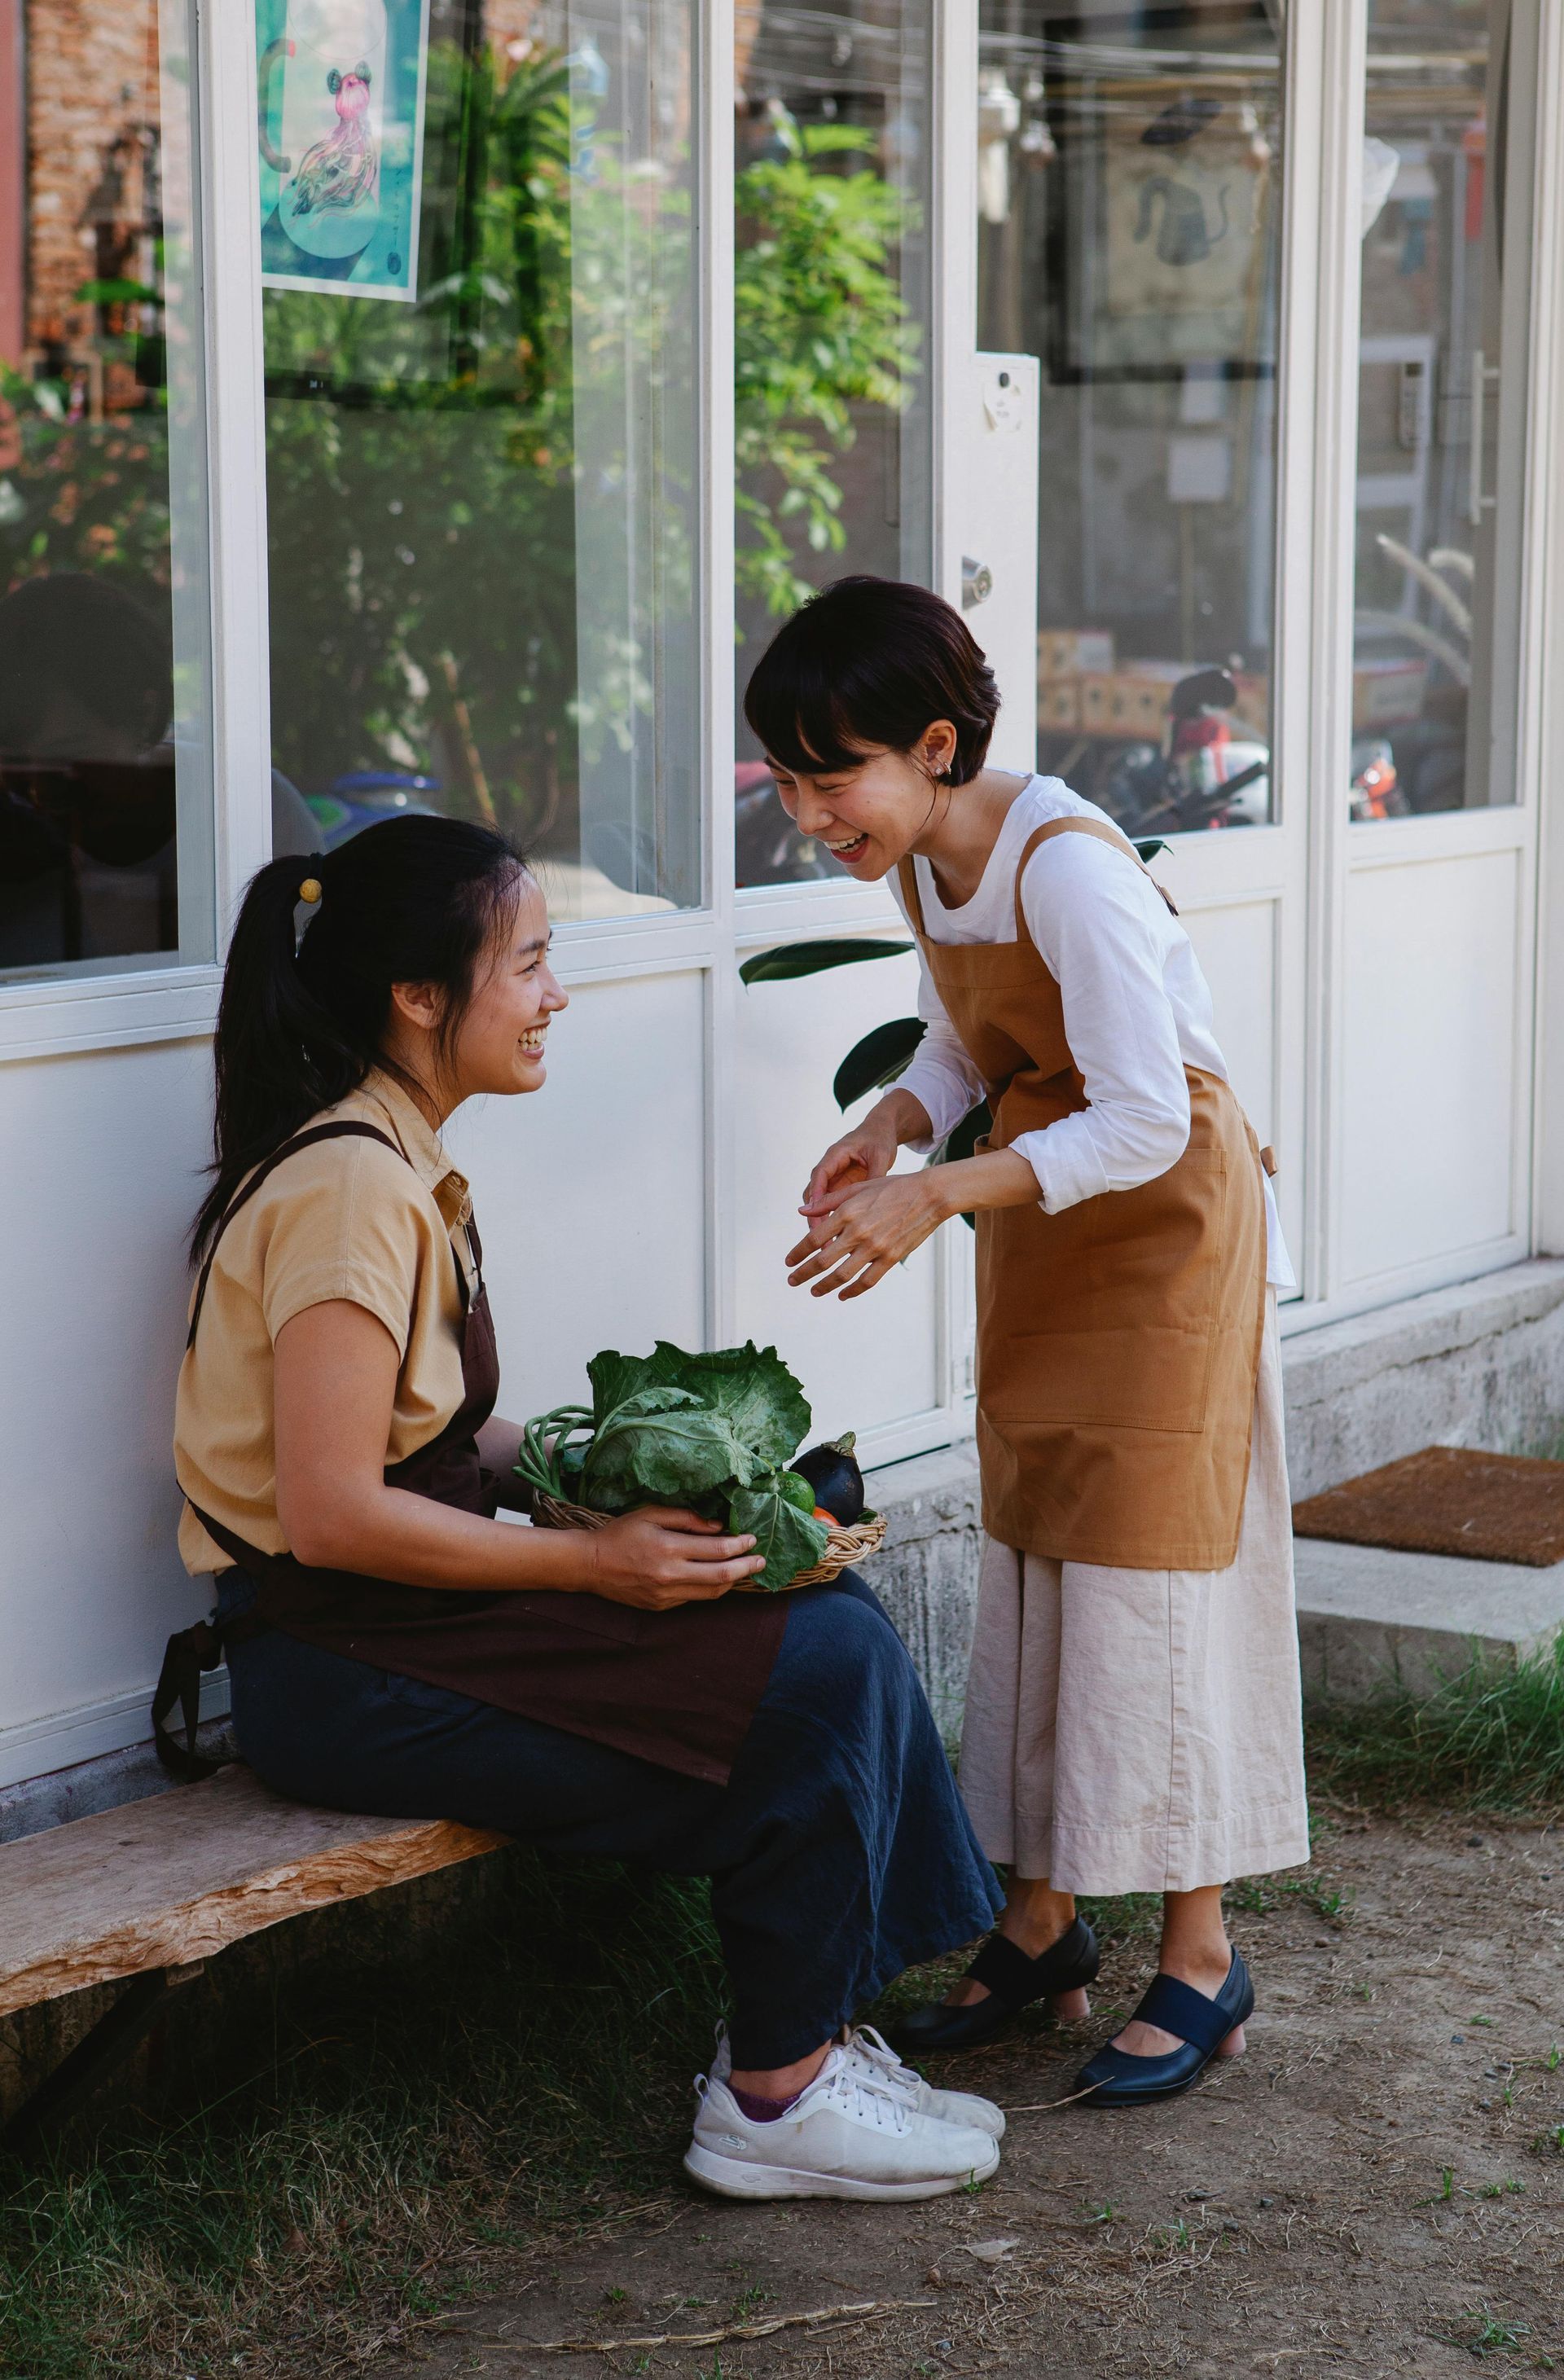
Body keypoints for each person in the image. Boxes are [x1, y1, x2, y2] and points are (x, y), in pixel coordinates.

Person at [168, 812, 1007, 2198]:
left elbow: (427, 1435)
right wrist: (592, 1565)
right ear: (419, 997)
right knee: (815, 1669)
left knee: (808, 1597)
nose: (557, 994)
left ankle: (813, 2032)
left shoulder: (390, 1156)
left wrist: (593, 1473)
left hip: (392, 1626)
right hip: (339, 1663)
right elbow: (327, 1513)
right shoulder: (348, 1191)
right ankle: (775, 2094)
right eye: (532, 964)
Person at [755, 577, 1309, 2108]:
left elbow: (1145, 1109)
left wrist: (940, 1190)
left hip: (1162, 1223)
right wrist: (899, 1119)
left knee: (1152, 1568)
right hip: (1055, 1211)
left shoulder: (1068, 865)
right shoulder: (929, 862)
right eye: (791, 780)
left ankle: (1202, 1954)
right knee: (1043, 1546)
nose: (810, 811)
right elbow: (966, 1033)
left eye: (831, 774)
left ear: (934, 746)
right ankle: (1045, 1921)